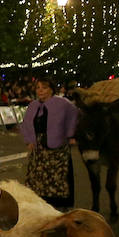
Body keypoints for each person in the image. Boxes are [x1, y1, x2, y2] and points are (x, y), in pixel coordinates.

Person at [21, 78, 77, 209]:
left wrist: (70, 134)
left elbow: (74, 116)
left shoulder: (63, 104)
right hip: (39, 147)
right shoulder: (33, 105)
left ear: (51, 89)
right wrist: (29, 140)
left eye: (44, 88)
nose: (40, 91)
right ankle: (41, 202)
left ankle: (59, 204)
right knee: (38, 176)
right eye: (38, 88)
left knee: (58, 176)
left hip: (57, 146)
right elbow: (26, 124)